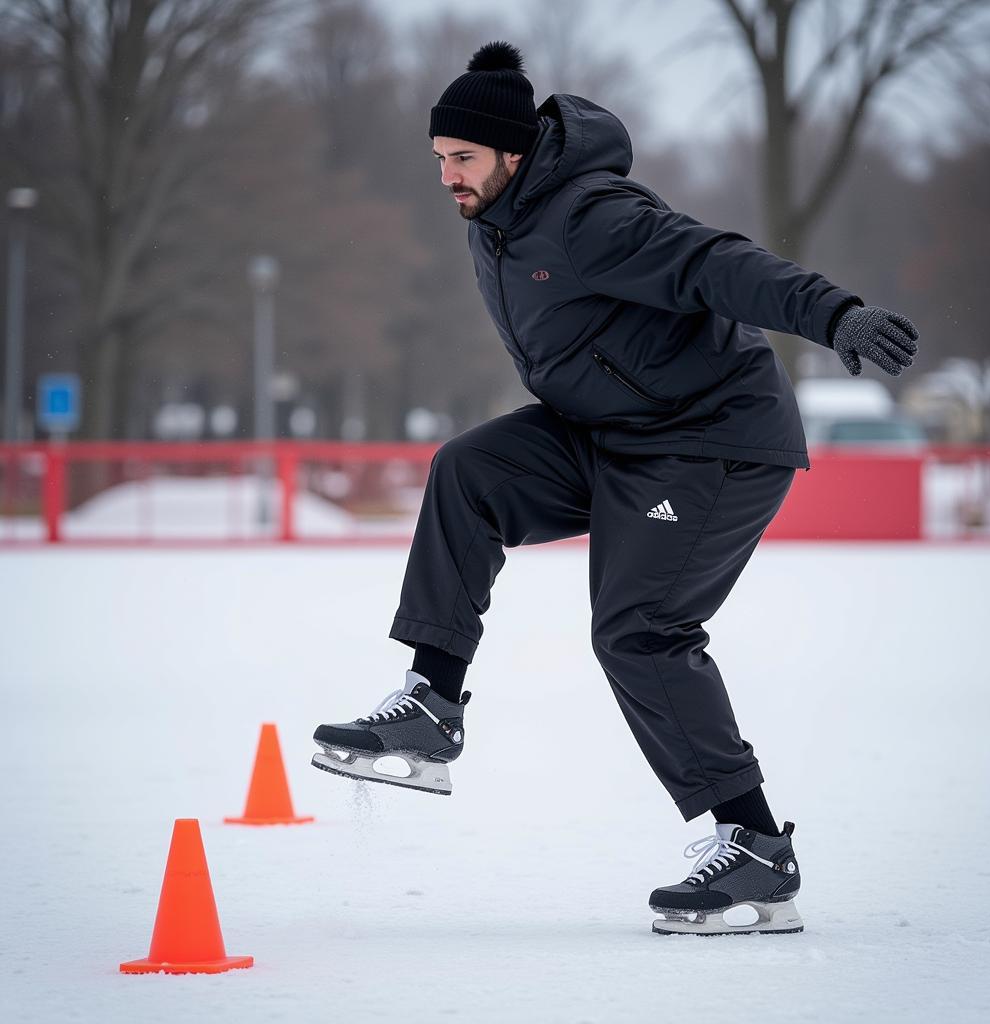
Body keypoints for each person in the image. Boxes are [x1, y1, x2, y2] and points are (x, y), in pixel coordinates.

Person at [312, 41, 919, 935]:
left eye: (464, 158)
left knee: (641, 630)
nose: (447, 176)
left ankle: (755, 848)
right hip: (612, 434)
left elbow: (718, 261)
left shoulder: (591, 214)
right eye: (438, 158)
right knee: (468, 470)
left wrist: (833, 313)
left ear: (514, 154)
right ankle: (431, 708)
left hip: (711, 441)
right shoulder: (498, 224)